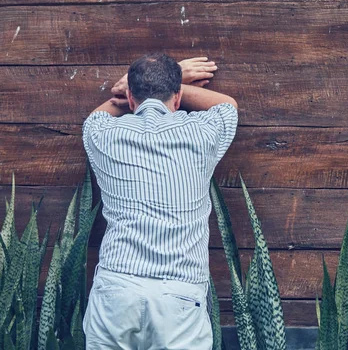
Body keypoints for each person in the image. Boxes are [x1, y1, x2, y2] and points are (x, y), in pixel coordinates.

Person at [81, 53, 238, 349]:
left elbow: (97, 115)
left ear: (130, 97)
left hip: (117, 289)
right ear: (177, 98)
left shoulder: (101, 134)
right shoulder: (202, 133)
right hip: (178, 294)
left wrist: (134, 87)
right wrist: (177, 76)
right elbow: (227, 106)